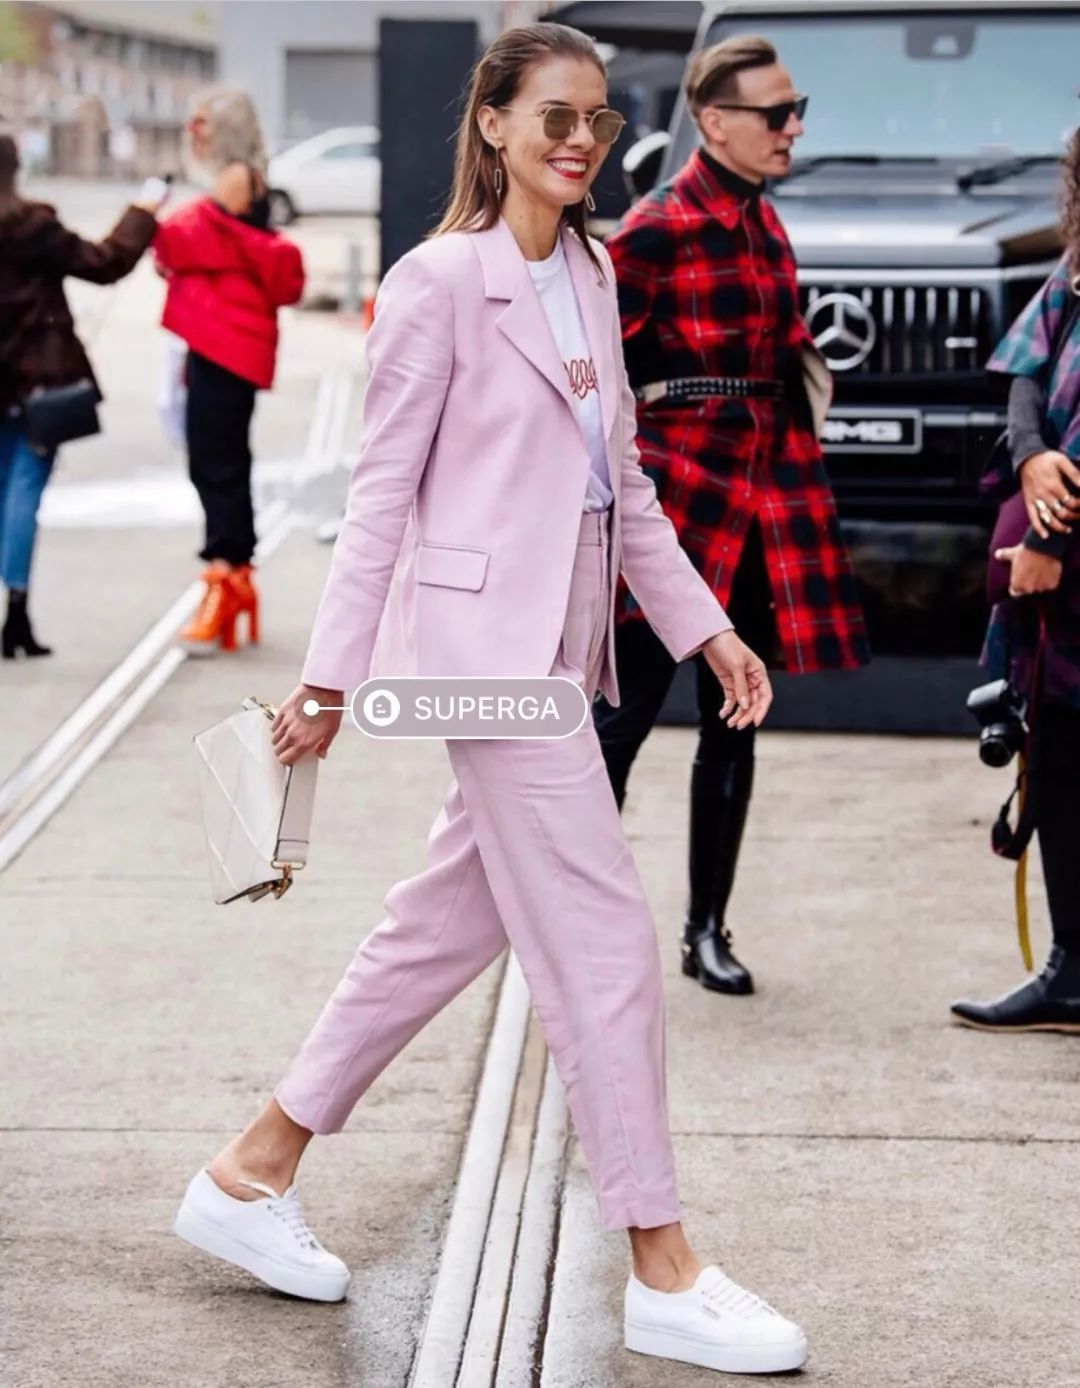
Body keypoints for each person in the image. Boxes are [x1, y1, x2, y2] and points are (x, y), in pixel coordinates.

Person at [173, 24, 809, 1376]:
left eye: (592, 122)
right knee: (604, 946)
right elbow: (379, 500)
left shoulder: (588, 269)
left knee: (438, 932)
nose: (577, 141)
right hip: (481, 665)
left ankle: (248, 1171)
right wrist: (331, 682)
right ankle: (662, 1262)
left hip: (563, 656)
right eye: (553, 119)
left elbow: (621, 494)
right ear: (496, 128)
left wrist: (707, 631)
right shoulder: (437, 284)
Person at [594, 36, 869, 995]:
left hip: (763, 498)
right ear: (713, 122)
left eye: (799, 111)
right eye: (776, 114)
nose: (794, 128)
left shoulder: (765, 223)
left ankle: (706, 929)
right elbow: (593, 381)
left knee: (736, 717)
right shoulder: (654, 228)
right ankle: (579, 931)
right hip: (677, 504)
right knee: (618, 726)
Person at [951, 122, 1080, 1033]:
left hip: (1066, 542)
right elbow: (1027, 374)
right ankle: (1071, 968)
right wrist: (1033, 458)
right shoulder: (1075, 263)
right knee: (1061, 755)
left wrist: (1053, 541)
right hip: (1056, 520)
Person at [0, 134, 163, 659]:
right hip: (34, 382)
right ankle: (16, 610)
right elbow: (104, 262)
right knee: (24, 488)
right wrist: (141, 211)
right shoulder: (33, 224)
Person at [154, 88, 304, 656]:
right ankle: (233, 578)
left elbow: (192, 242)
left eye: (202, 125)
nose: (193, 134)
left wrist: (163, 224)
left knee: (214, 460)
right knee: (221, 457)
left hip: (225, 343)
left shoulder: (233, 180)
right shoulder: (246, 177)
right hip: (228, 341)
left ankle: (228, 576)